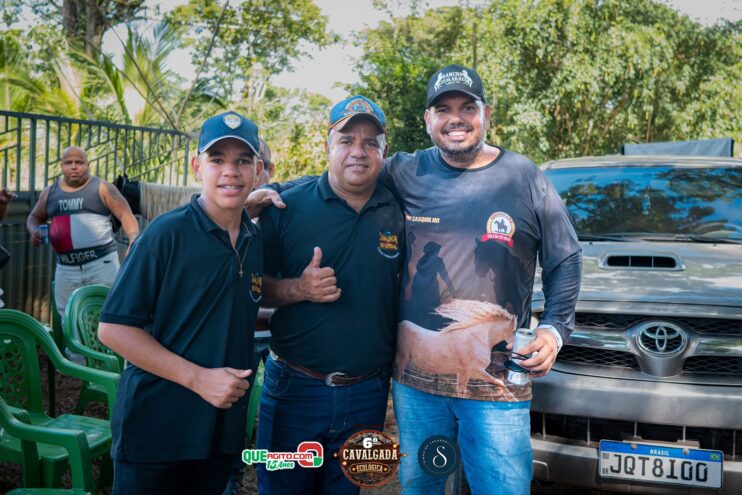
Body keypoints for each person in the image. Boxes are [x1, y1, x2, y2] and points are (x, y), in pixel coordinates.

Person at [248, 65, 582, 495]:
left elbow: (565, 256)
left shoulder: (523, 176)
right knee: (420, 486)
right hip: (416, 387)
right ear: (428, 120)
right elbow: (342, 176)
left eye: (467, 107)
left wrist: (554, 328)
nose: (455, 118)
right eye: (443, 109)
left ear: (486, 114)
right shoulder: (407, 171)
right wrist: (268, 193)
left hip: (496, 387)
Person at [97, 111, 264, 495]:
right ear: (196, 167)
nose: (230, 171)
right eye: (217, 159)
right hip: (158, 429)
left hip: (219, 431)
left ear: (258, 171)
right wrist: (198, 379)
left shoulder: (254, 239)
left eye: (242, 160)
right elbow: (113, 328)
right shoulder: (166, 235)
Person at [256, 95, 404, 495]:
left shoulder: (399, 212)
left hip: (368, 393)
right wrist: (298, 288)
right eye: (347, 140)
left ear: (384, 152)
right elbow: (250, 285)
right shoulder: (286, 207)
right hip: (295, 390)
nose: (358, 151)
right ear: (327, 146)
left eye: (370, 143)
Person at [26, 146, 139, 317]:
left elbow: (125, 214)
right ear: (62, 166)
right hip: (66, 268)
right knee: (69, 317)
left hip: (101, 265)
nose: (73, 167)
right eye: (68, 163)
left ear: (88, 165)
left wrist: (134, 238)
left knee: (106, 313)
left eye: (79, 162)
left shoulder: (102, 188)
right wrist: (33, 230)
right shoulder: (50, 193)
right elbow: (34, 217)